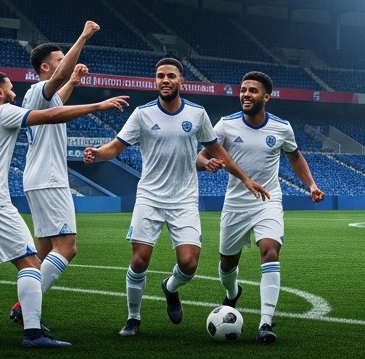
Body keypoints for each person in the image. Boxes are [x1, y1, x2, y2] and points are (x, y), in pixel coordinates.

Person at [0, 70, 128, 348]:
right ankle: (33, 334)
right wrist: (97, 106)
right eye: (11, 89)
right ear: (0, 92)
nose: (14, 94)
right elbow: (49, 116)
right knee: (30, 263)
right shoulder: (3, 113)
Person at [84, 57, 269, 337]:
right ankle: (133, 318)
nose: (165, 80)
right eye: (160, 76)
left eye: (171, 76)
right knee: (139, 260)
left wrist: (244, 178)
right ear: (155, 81)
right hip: (150, 197)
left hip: (183, 200)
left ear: (181, 80)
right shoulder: (142, 114)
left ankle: (170, 288)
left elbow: (217, 151)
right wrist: (97, 153)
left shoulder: (196, 114)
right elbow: (115, 148)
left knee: (189, 263)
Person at [207, 70, 324, 344]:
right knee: (227, 265)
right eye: (243, 90)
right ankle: (233, 292)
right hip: (235, 204)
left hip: (268, 201)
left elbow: (295, 157)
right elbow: (201, 157)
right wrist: (207, 164)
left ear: (267, 97)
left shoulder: (282, 128)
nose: (246, 94)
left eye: (253, 91)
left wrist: (311, 185)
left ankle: (265, 323)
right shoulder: (224, 125)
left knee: (270, 251)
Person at [11, 20, 101, 327]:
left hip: (37, 179)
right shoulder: (38, 90)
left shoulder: (40, 96)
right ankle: (25, 307)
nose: (65, 65)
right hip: (49, 179)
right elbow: (57, 81)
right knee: (67, 248)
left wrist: (73, 80)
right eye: (60, 62)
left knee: (45, 250)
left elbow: (59, 93)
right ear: (45, 68)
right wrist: (84, 36)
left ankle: (23, 303)